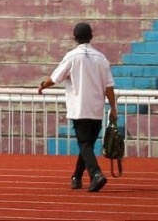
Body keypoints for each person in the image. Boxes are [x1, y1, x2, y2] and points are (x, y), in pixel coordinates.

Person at [38, 22, 118, 193]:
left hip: (79, 107)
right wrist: (113, 108)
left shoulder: (72, 56)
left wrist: (43, 85)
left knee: (84, 144)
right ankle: (76, 177)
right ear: (91, 36)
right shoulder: (101, 58)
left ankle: (96, 173)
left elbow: (56, 78)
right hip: (96, 109)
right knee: (87, 144)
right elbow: (109, 87)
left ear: (74, 37)